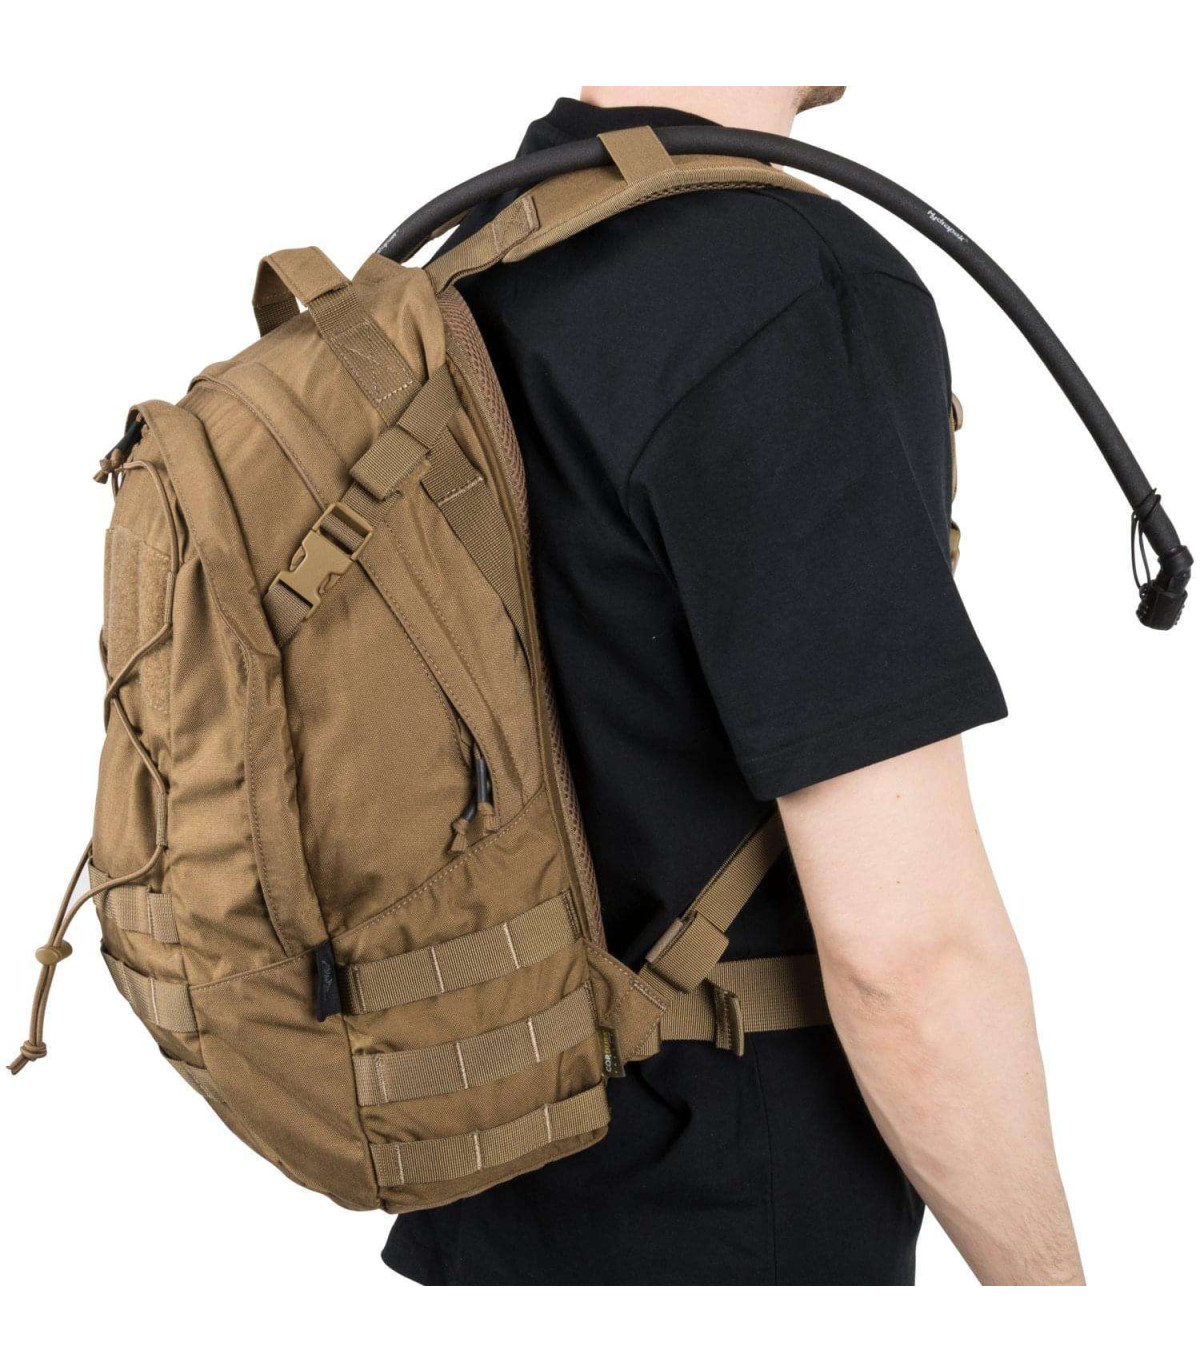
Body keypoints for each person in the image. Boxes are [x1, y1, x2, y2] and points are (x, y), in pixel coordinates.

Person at [382, 86, 1084, 1286]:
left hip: (481, 1199)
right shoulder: (787, 287)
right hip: (729, 1222)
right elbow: (909, 955)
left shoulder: (478, 261)